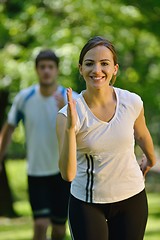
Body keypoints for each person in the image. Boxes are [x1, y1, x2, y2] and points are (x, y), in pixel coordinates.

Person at [56, 36, 156, 240]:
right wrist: (69, 128)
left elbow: (142, 134)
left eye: (104, 64)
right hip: (87, 203)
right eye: (89, 63)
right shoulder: (67, 115)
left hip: (132, 198)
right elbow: (68, 174)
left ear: (115, 69)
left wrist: (150, 161)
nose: (97, 70)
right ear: (80, 69)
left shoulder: (132, 102)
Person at [0, 49, 78, 240]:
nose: (46, 71)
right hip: (36, 172)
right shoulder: (24, 98)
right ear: (36, 70)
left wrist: (68, 113)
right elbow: (9, 128)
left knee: (59, 230)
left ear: (57, 70)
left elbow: (85, 134)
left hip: (64, 174)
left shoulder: (71, 99)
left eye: (50, 67)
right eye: (42, 67)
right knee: (40, 225)